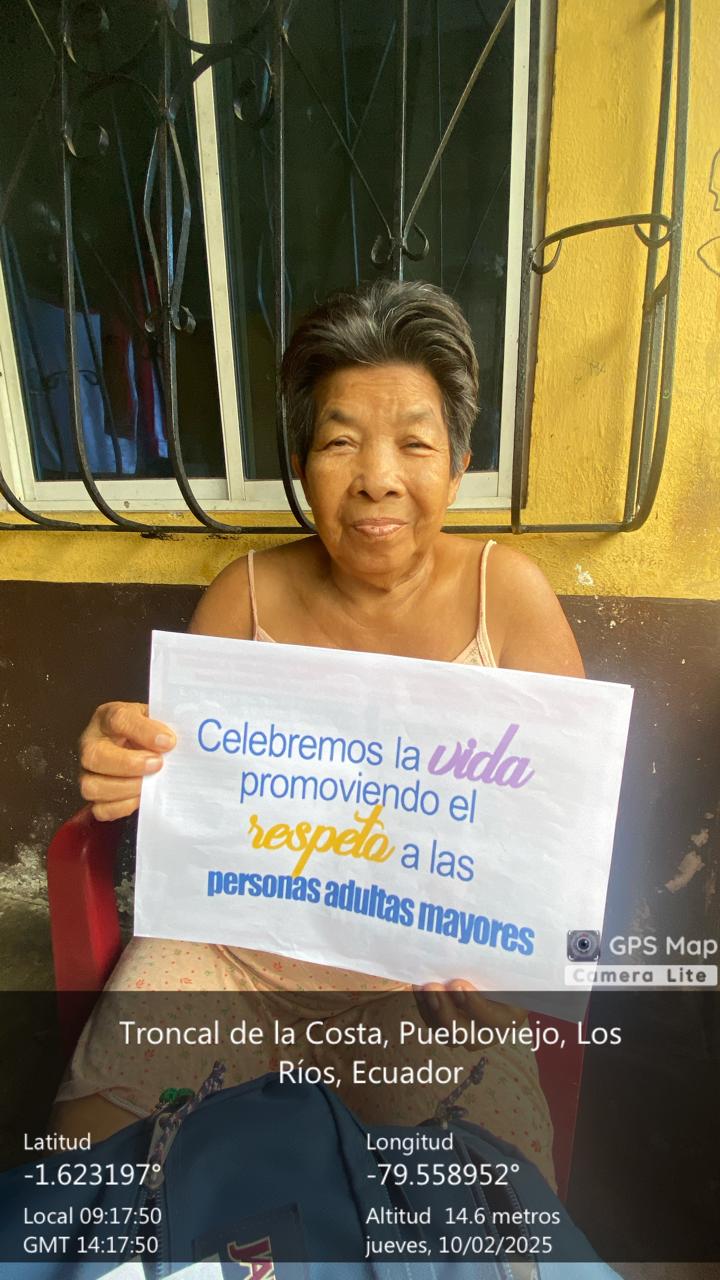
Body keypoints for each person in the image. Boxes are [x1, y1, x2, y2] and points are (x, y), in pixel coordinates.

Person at [53, 280, 584, 1184]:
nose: (377, 476)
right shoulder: (245, 595)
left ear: (458, 466)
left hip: (424, 987)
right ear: (303, 464)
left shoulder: (508, 598)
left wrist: (509, 961)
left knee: (474, 1207)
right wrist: (124, 761)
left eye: (414, 442)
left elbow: (565, 828)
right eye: (341, 441)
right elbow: (176, 784)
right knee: (87, 1178)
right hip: (225, 959)